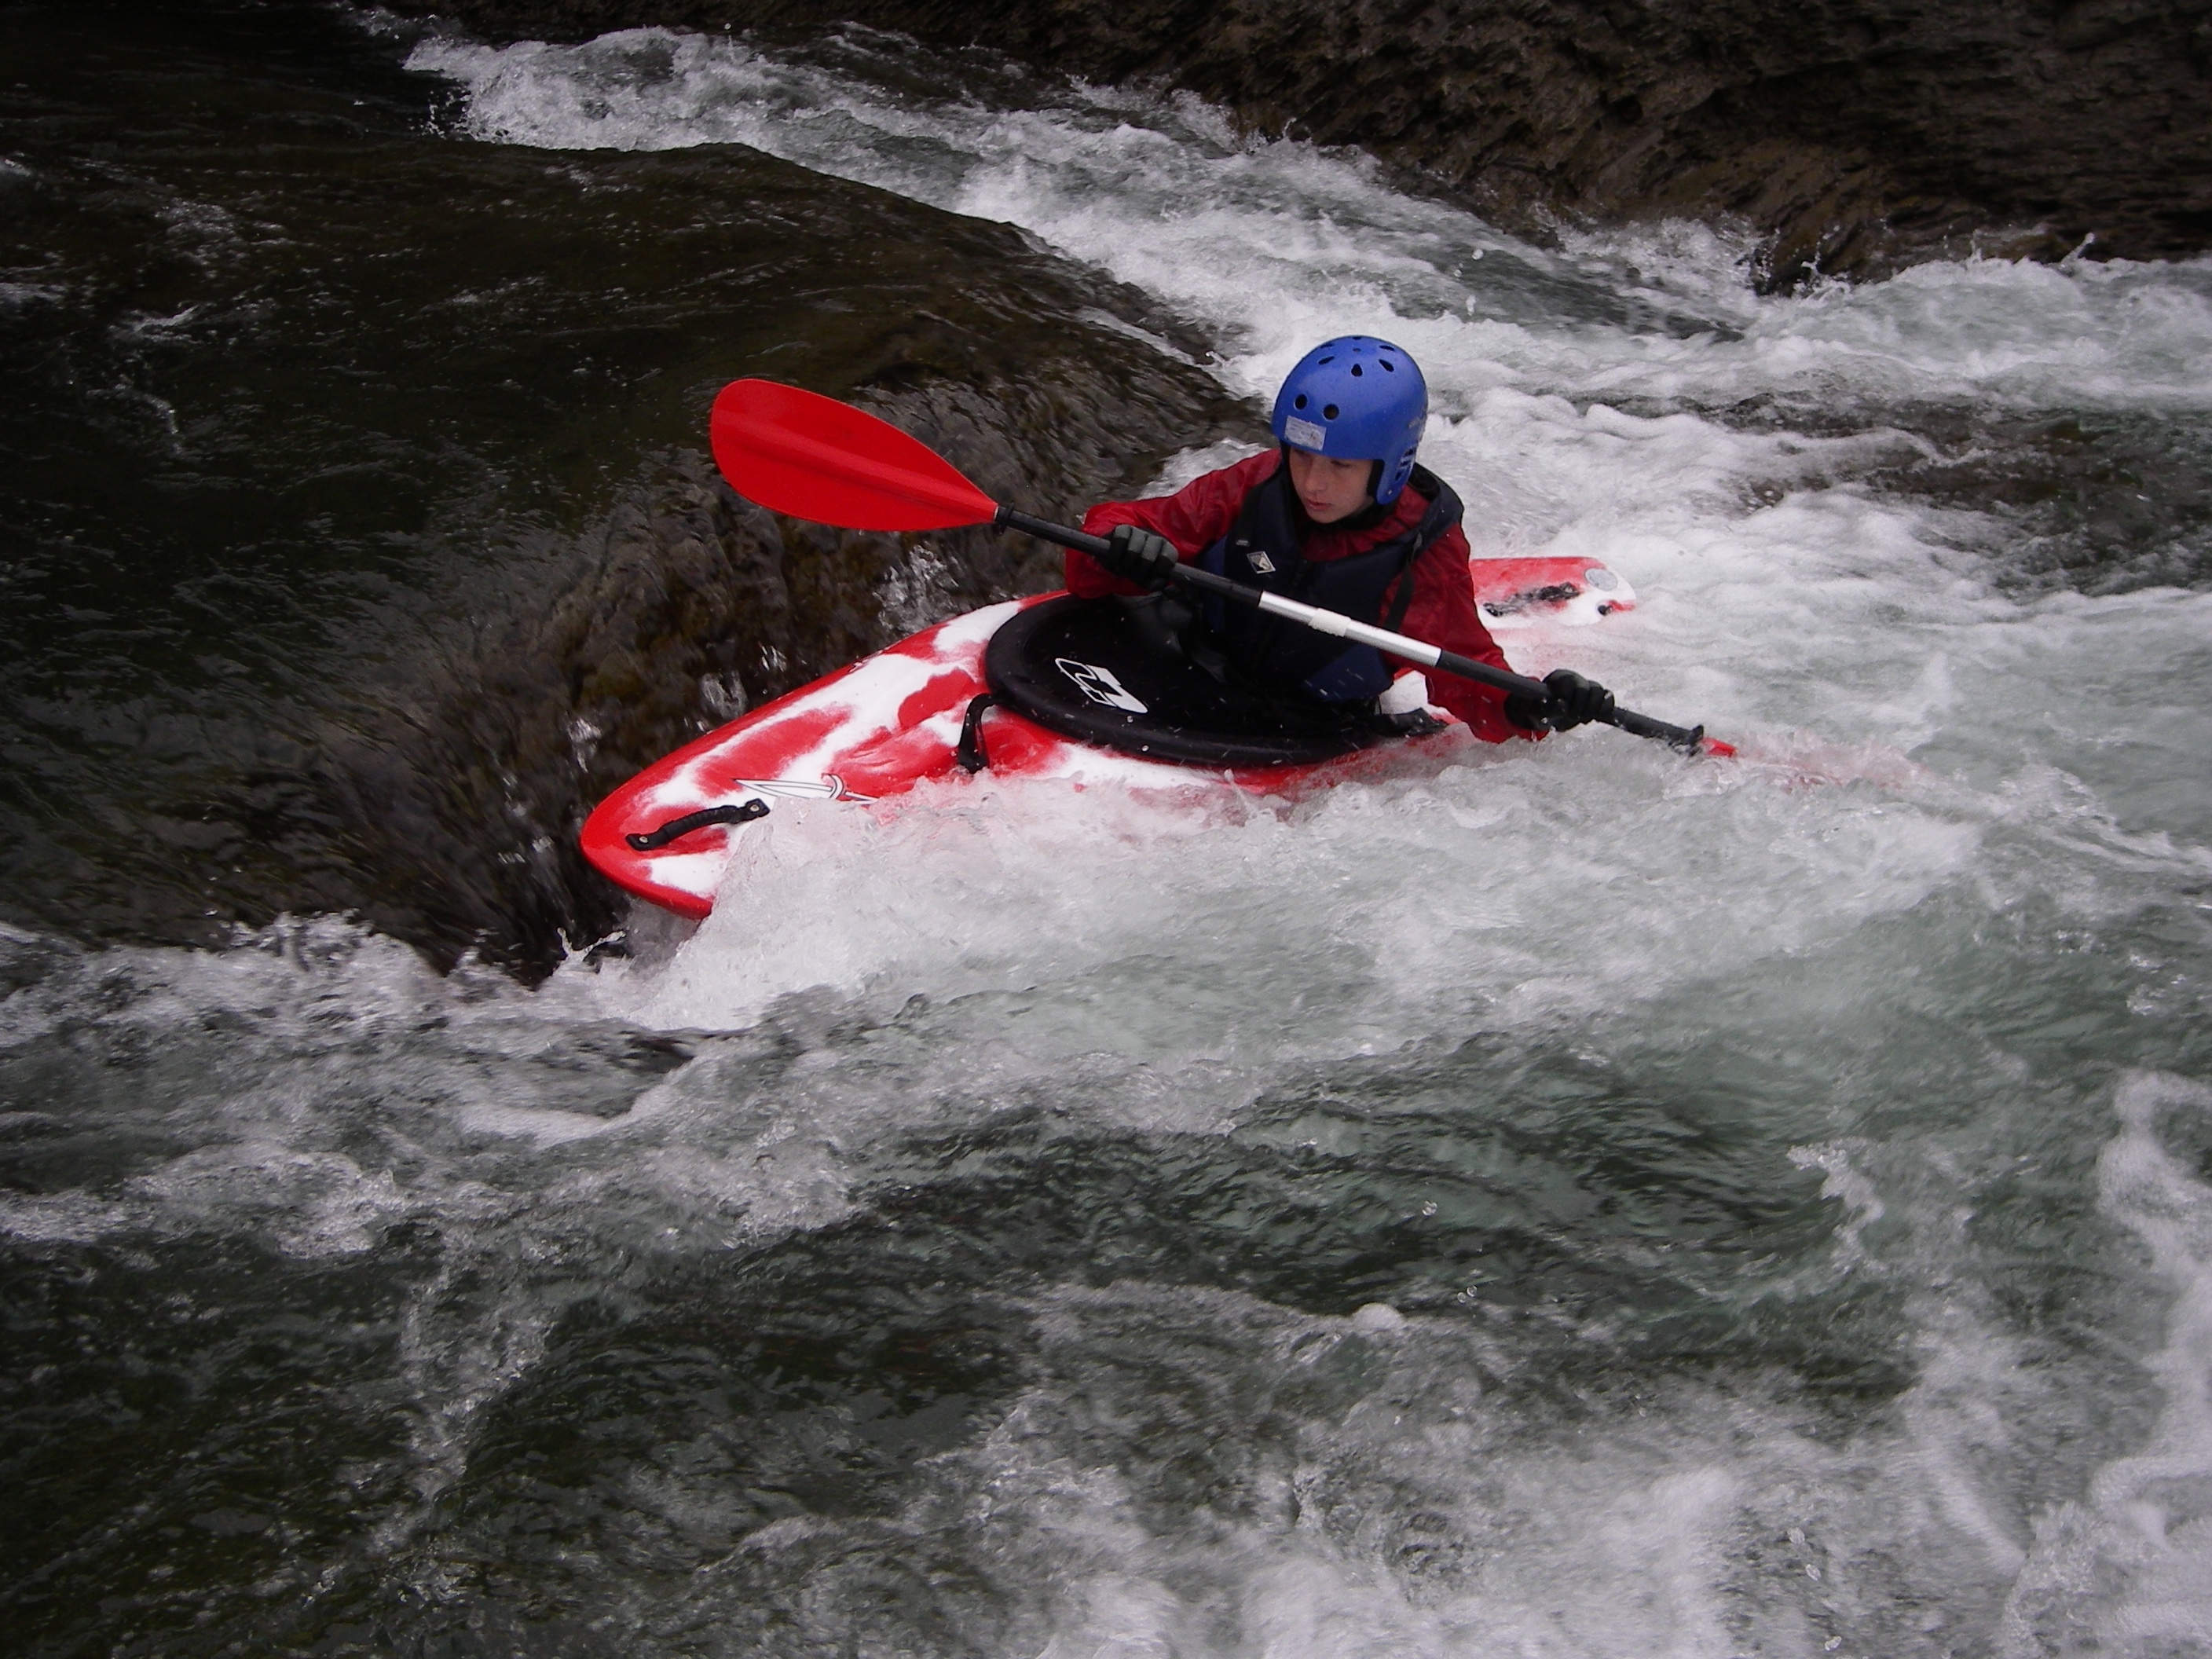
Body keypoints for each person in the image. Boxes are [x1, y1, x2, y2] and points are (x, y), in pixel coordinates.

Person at [1071, 335, 1614, 743]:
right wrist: (1122, 546)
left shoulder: (1421, 554)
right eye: (1302, 455)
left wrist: (1533, 705)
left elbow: (1466, 673)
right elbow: (1125, 526)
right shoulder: (1257, 484)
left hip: (1306, 722)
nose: (1312, 483)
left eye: (1339, 465)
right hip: (1194, 663)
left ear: (1391, 466)